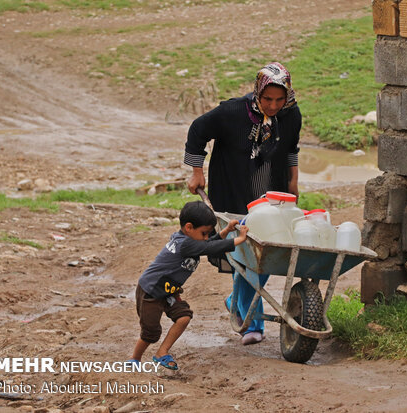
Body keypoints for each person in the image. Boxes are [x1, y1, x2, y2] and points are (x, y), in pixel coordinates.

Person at [184, 62, 301, 345]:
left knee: (267, 253)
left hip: (270, 197)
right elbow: (198, 129)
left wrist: (293, 181)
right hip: (234, 194)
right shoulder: (232, 112)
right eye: (267, 99)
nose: (273, 105)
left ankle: (235, 300)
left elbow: (291, 148)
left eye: (279, 99)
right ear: (257, 93)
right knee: (250, 257)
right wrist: (197, 170)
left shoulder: (291, 114)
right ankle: (253, 325)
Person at [129, 201, 248, 370]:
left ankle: (161, 353)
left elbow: (207, 244)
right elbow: (210, 246)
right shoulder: (184, 244)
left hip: (168, 291)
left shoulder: (190, 240)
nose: (206, 237)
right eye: (204, 233)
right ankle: (135, 359)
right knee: (150, 334)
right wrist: (239, 240)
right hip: (151, 291)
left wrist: (226, 231)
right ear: (189, 227)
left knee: (184, 316)